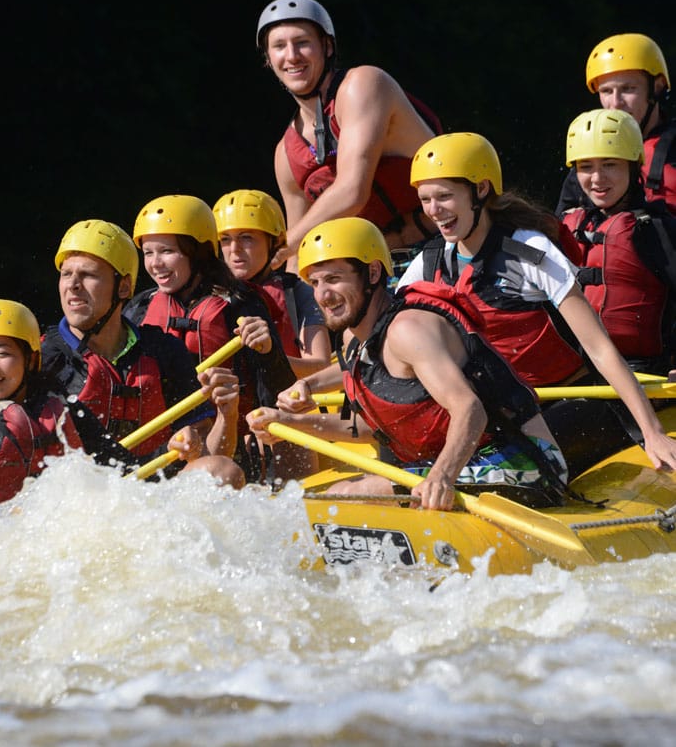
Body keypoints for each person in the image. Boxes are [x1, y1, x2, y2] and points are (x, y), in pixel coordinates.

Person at [247, 216, 573, 511]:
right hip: (465, 461)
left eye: (333, 279)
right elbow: (369, 430)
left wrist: (441, 476)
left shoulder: (409, 328)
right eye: (315, 283)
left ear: (372, 272)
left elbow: (469, 409)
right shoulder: (353, 342)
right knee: (334, 497)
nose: (323, 295)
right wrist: (291, 422)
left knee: (347, 495)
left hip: (524, 462)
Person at [399, 132, 676, 477]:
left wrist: (652, 432)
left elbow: (598, 347)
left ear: (480, 190)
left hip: (572, 399)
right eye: (425, 199)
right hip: (498, 409)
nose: (433, 211)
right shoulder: (427, 263)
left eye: (444, 197)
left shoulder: (528, 251)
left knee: (492, 463)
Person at [0, 300, 218, 509]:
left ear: (32, 360)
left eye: (2, 353)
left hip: (48, 543)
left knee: (219, 469)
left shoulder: (61, 408)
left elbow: (122, 472)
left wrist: (171, 454)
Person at [123, 194, 315, 484]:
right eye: (148, 253)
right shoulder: (140, 307)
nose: (155, 264)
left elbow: (279, 393)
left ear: (197, 251)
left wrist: (269, 351)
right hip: (162, 450)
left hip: (234, 449)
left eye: (166, 251)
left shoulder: (239, 304)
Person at [40, 219, 246, 488]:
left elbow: (210, 454)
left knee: (223, 472)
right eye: (66, 274)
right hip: (77, 503)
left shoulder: (163, 351)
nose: (73, 285)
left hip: (151, 497)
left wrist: (227, 415)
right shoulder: (41, 359)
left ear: (123, 287)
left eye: (88, 275)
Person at [256, 0, 441, 274]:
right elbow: (296, 258)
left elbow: (352, 192)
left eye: (303, 42)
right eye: (279, 46)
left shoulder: (364, 85)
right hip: (378, 271)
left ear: (327, 46)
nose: (292, 55)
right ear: (269, 60)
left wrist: (281, 247)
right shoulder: (285, 154)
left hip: (447, 242)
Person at [561, 108, 676, 375]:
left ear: (633, 166)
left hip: (642, 374)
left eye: (610, 165)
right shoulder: (566, 226)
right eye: (586, 167)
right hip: (577, 375)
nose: (598, 178)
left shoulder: (655, 229)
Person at [212, 188, 332, 378]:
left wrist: (270, 356)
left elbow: (319, 366)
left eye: (246, 237)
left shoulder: (297, 292)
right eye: (226, 239)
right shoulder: (205, 294)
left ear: (273, 242)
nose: (234, 249)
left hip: (282, 403)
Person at [556, 33, 675, 216]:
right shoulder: (590, 151)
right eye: (606, 91)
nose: (616, 102)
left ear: (657, 87)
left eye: (628, 89)